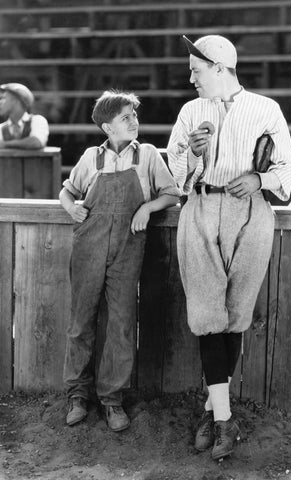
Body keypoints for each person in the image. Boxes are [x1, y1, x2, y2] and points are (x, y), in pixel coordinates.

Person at [167, 35, 291, 460]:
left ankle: (213, 409)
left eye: (196, 70)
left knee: (236, 314)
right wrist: (192, 151)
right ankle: (225, 420)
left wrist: (260, 180)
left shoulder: (265, 108)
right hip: (201, 207)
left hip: (249, 211)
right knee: (208, 315)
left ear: (220, 68)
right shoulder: (191, 112)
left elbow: (288, 168)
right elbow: (175, 171)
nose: (191, 78)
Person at [60, 90, 180, 431]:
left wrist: (147, 207)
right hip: (89, 246)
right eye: (126, 117)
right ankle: (78, 396)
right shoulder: (90, 158)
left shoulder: (148, 156)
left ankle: (112, 401)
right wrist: (71, 206)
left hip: (128, 247)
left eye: (134, 115)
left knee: (122, 323)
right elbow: (67, 190)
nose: (134, 121)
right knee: (81, 321)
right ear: (107, 126)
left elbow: (171, 194)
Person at [0, 83, 49, 149]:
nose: (0, 102)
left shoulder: (38, 120)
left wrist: (6, 144)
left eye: (3, 98)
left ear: (15, 100)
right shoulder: (1, 128)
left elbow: (36, 142)